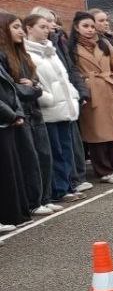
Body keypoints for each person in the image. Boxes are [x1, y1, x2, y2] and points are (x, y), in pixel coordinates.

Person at [0, 13, 57, 215]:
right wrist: (31, 88)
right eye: (15, 27)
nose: (21, 32)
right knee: (30, 158)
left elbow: (35, 83)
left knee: (44, 155)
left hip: (34, 110)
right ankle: (34, 201)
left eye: (20, 27)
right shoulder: (3, 56)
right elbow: (12, 89)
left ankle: (45, 198)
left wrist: (32, 86)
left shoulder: (23, 54)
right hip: (19, 112)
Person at [23, 14, 83, 204]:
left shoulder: (51, 50)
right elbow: (33, 81)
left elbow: (64, 77)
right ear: (29, 28)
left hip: (64, 107)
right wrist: (47, 98)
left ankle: (68, 185)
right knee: (54, 151)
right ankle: (59, 189)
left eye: (47, 27)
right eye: (42, 26)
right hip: (48, 109)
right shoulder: (27, 53)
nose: (47, 30)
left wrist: (73, 95)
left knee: (66, 149)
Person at [70, 11, 113, 181]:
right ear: (76, 27)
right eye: (85, 26)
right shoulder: (72, 48)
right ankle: (104, 171)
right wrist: (86, 82)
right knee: (96, 133)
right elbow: (71, 71)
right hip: (91, 93)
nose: (90, 29)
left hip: (109, 90)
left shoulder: (104, 44)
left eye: (92, 26)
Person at [0, 57, 32, 229]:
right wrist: (12, 115)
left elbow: (11, 88)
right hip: (4, 120)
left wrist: (17, 113)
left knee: (11, 172)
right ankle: (8, 216)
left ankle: (15, 215)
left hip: (7, 122)